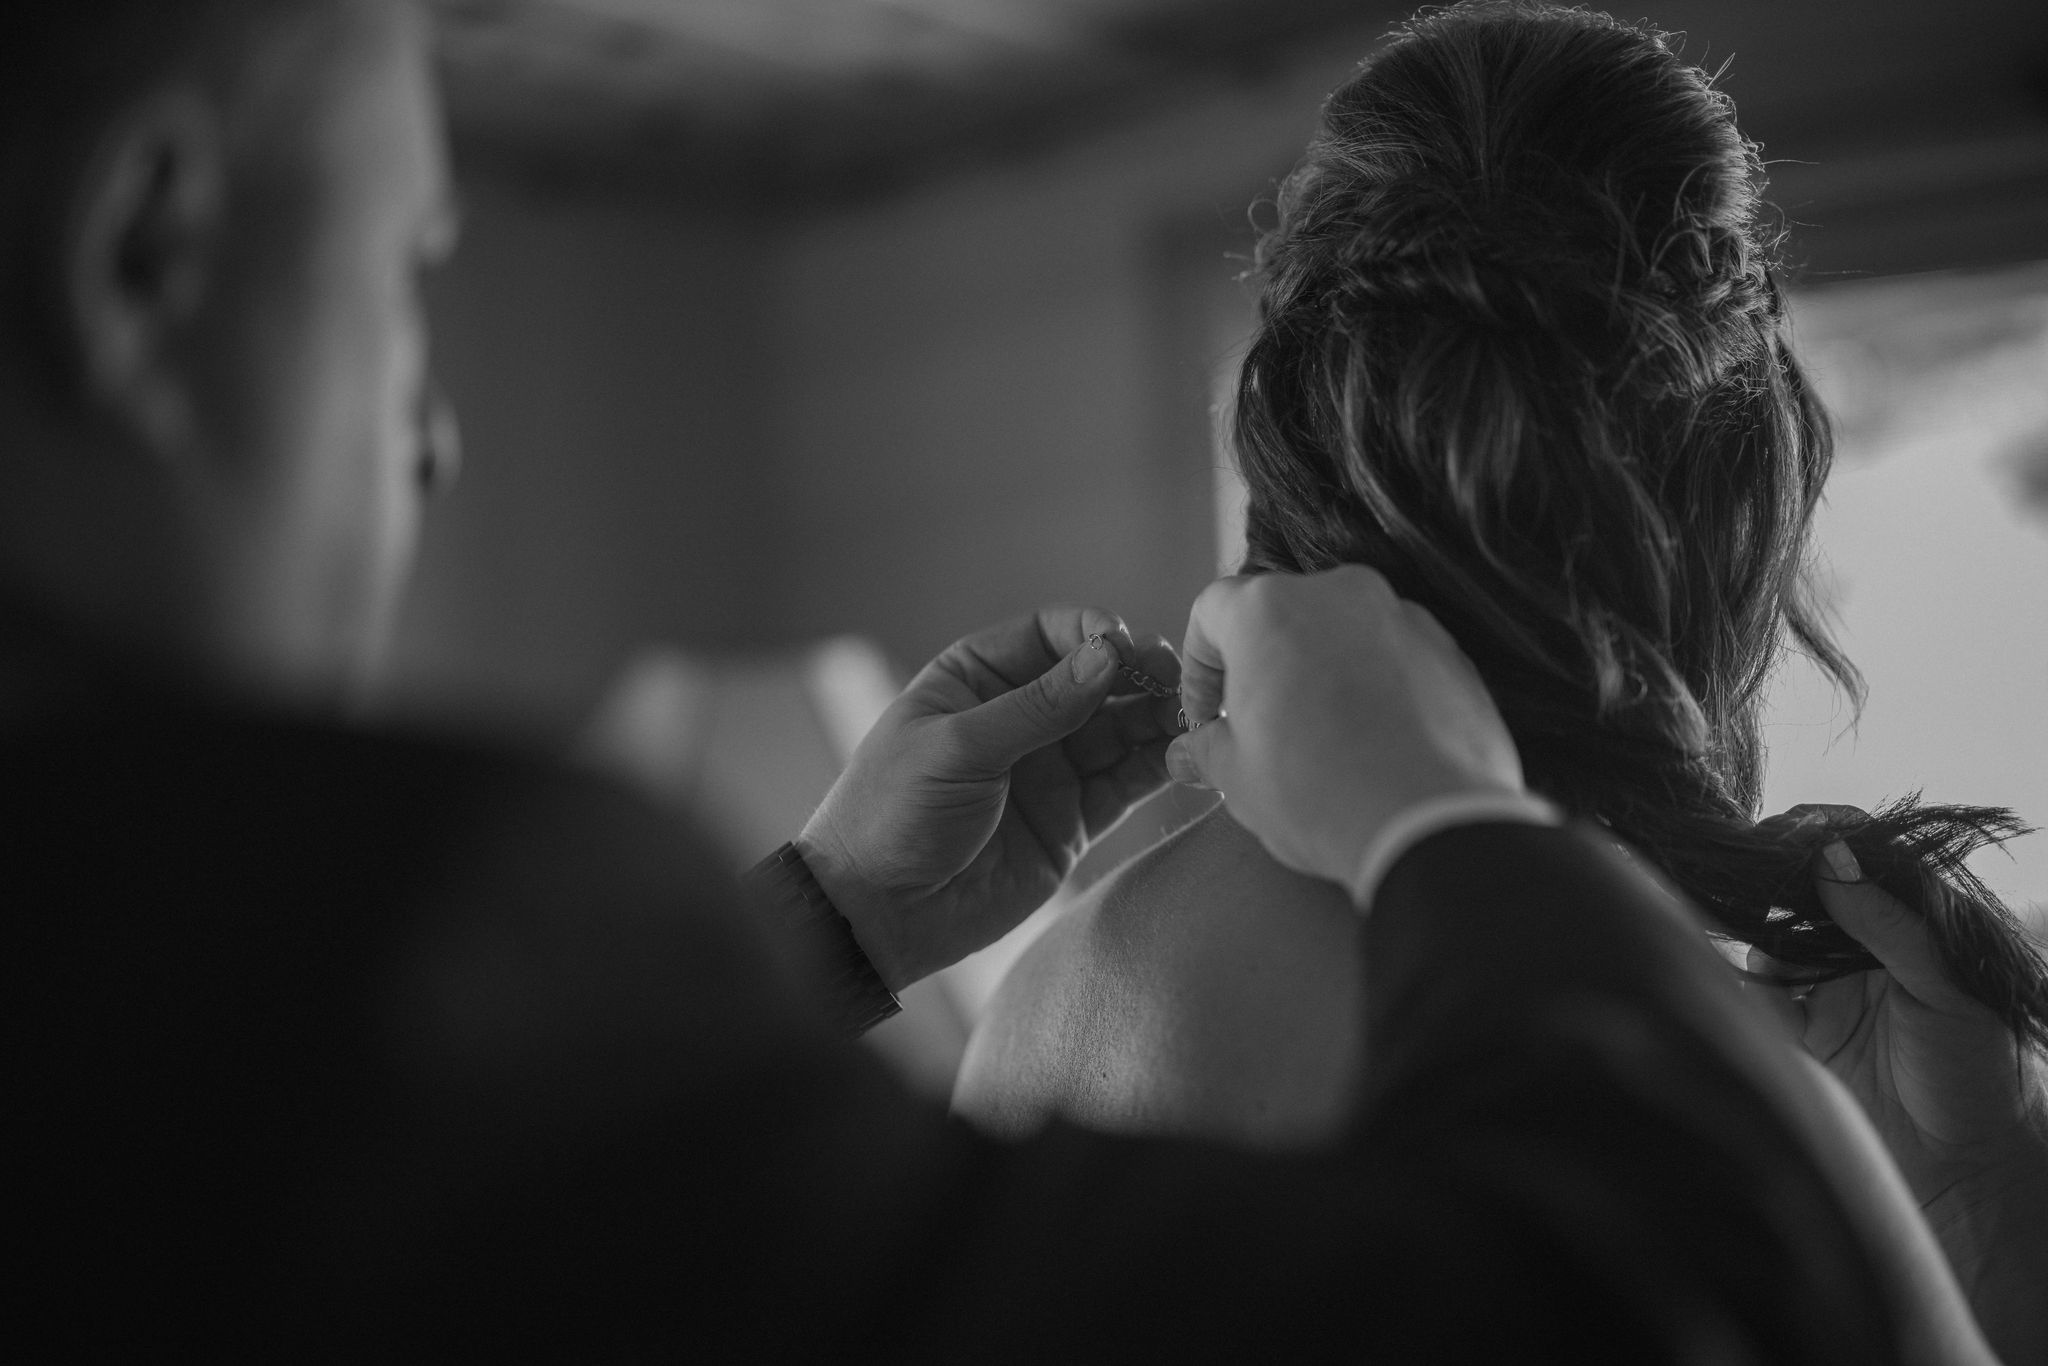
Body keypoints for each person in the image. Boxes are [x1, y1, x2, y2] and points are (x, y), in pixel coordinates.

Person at [0, 0, 1958, 1358]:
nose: (427, 433)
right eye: (405, 269)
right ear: (144, 255)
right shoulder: (368, 933)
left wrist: (840, 918)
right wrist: (1433, 814)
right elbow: (1698, 1306)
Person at [952, 3, 2048, 1359]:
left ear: (1294, 433)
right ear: (1734, 494)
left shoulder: (1039, 993)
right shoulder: (1673, 1115)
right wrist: (1983, 1213)